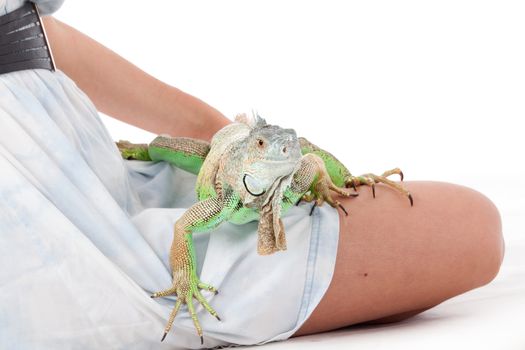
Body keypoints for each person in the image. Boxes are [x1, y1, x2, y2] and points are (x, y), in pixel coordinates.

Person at [0, 1, 505, 349]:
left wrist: (234, 140)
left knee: (449, 242)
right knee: (468, 227)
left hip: (95, 178)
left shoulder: (280, 157)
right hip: (59, 232)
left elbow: (29, 36)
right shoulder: (213, 205)